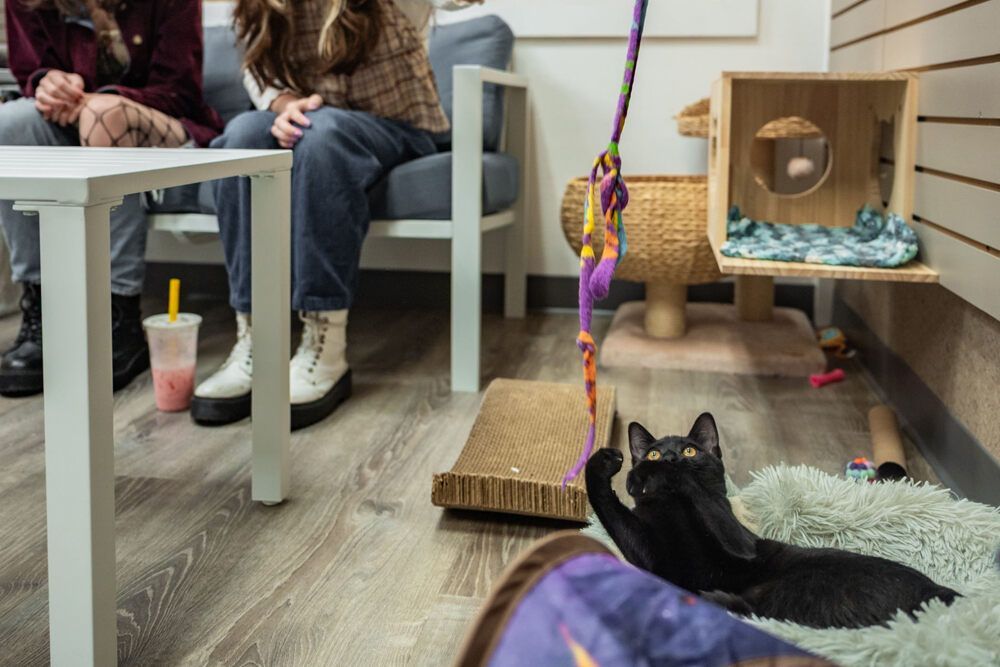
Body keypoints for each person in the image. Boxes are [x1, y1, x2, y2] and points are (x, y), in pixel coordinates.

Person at [193, 0, 478, 430]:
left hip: (396, 126)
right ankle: (256, 339)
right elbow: (257, 71)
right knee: (241, 137)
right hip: (309, 118)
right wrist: (286, 105)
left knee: (322, 135)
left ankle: (325, 342)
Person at [0, 0, 222, 397]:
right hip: (68, 123)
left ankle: (119, 315)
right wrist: (48, 84)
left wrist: (95, 99)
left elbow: (180, 92)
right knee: (8, 125)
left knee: (104, 114)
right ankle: (43, 311)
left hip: (161, 124)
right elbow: (29, 72)